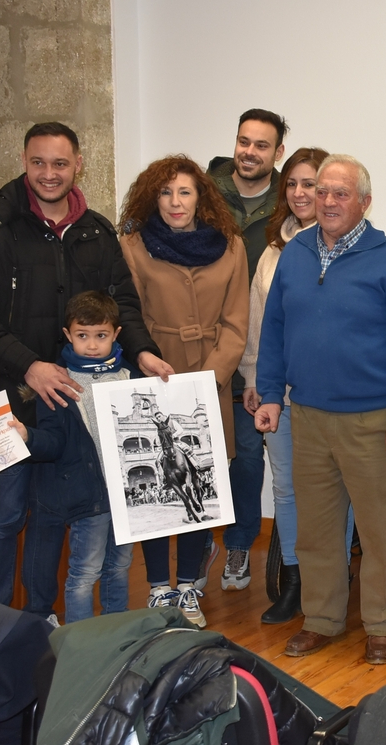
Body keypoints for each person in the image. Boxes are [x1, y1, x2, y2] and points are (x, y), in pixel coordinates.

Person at [0, 122, 171, 617]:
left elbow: (122, 305)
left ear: (78, 165)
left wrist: (143, 351)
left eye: (60, 163)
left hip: (81, 408)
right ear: (23, 161)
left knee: (66, 518)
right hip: (4, 398)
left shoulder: (97, 231)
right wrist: (29, 366)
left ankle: (50, 621)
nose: (49, 173)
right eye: (39, 162)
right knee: (2, 515)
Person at [254, 154, 386, 664]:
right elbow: (275, 331)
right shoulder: (295, 253)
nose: (328, 201)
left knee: (380, 532)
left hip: (375, 421)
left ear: (364, 203)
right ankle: (322, 619)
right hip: (306, 416)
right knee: (316, 530)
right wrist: (269, 394)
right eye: (322, 191)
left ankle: (381, 625)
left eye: (340, 193)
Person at [119, 155, 249, 629]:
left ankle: (190, 586)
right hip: (153, 372)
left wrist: (212, 378)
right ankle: (158, 587)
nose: (176, 202)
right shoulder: (133, 246)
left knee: (199, 484)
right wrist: (147, 360)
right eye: (166, 193)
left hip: (209, 382)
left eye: (185, 192)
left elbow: (237, 323)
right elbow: (128, 316)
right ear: (153, 198)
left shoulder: (232, 246)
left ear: (202, 196)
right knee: (154, 487)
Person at [238, 146, 329, 624]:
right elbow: (258, 324)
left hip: (330, 401)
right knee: (287, 492)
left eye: (310, 184)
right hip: (281, 396)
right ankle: (294, 581)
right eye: (291, 184)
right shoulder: (273, 253)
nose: (299, 193)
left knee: (333, 492)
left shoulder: (345, 248)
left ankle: (328, 582)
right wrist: (255, 379)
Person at [8, 291, 135, 623]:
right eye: (82, 336)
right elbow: (54, 442)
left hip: (127, 497)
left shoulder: (130, 378)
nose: (92, 345)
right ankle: (80, 642)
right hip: (87, 498)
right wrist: (28, 437)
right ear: (68, 335)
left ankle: (116, 634)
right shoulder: (56, 383)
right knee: (84, 573)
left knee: (119, 567)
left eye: (101, 336)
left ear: (116, 335)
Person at [209, 109, 287, 593]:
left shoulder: (291, 200)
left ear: (276, 153)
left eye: (261, 145)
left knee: (246, 459)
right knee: (201, 454)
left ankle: (239, 544)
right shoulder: (202, 192)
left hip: (257, 348)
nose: (249, 151)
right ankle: (197, 545)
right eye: (244, 141)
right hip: (206, 343)